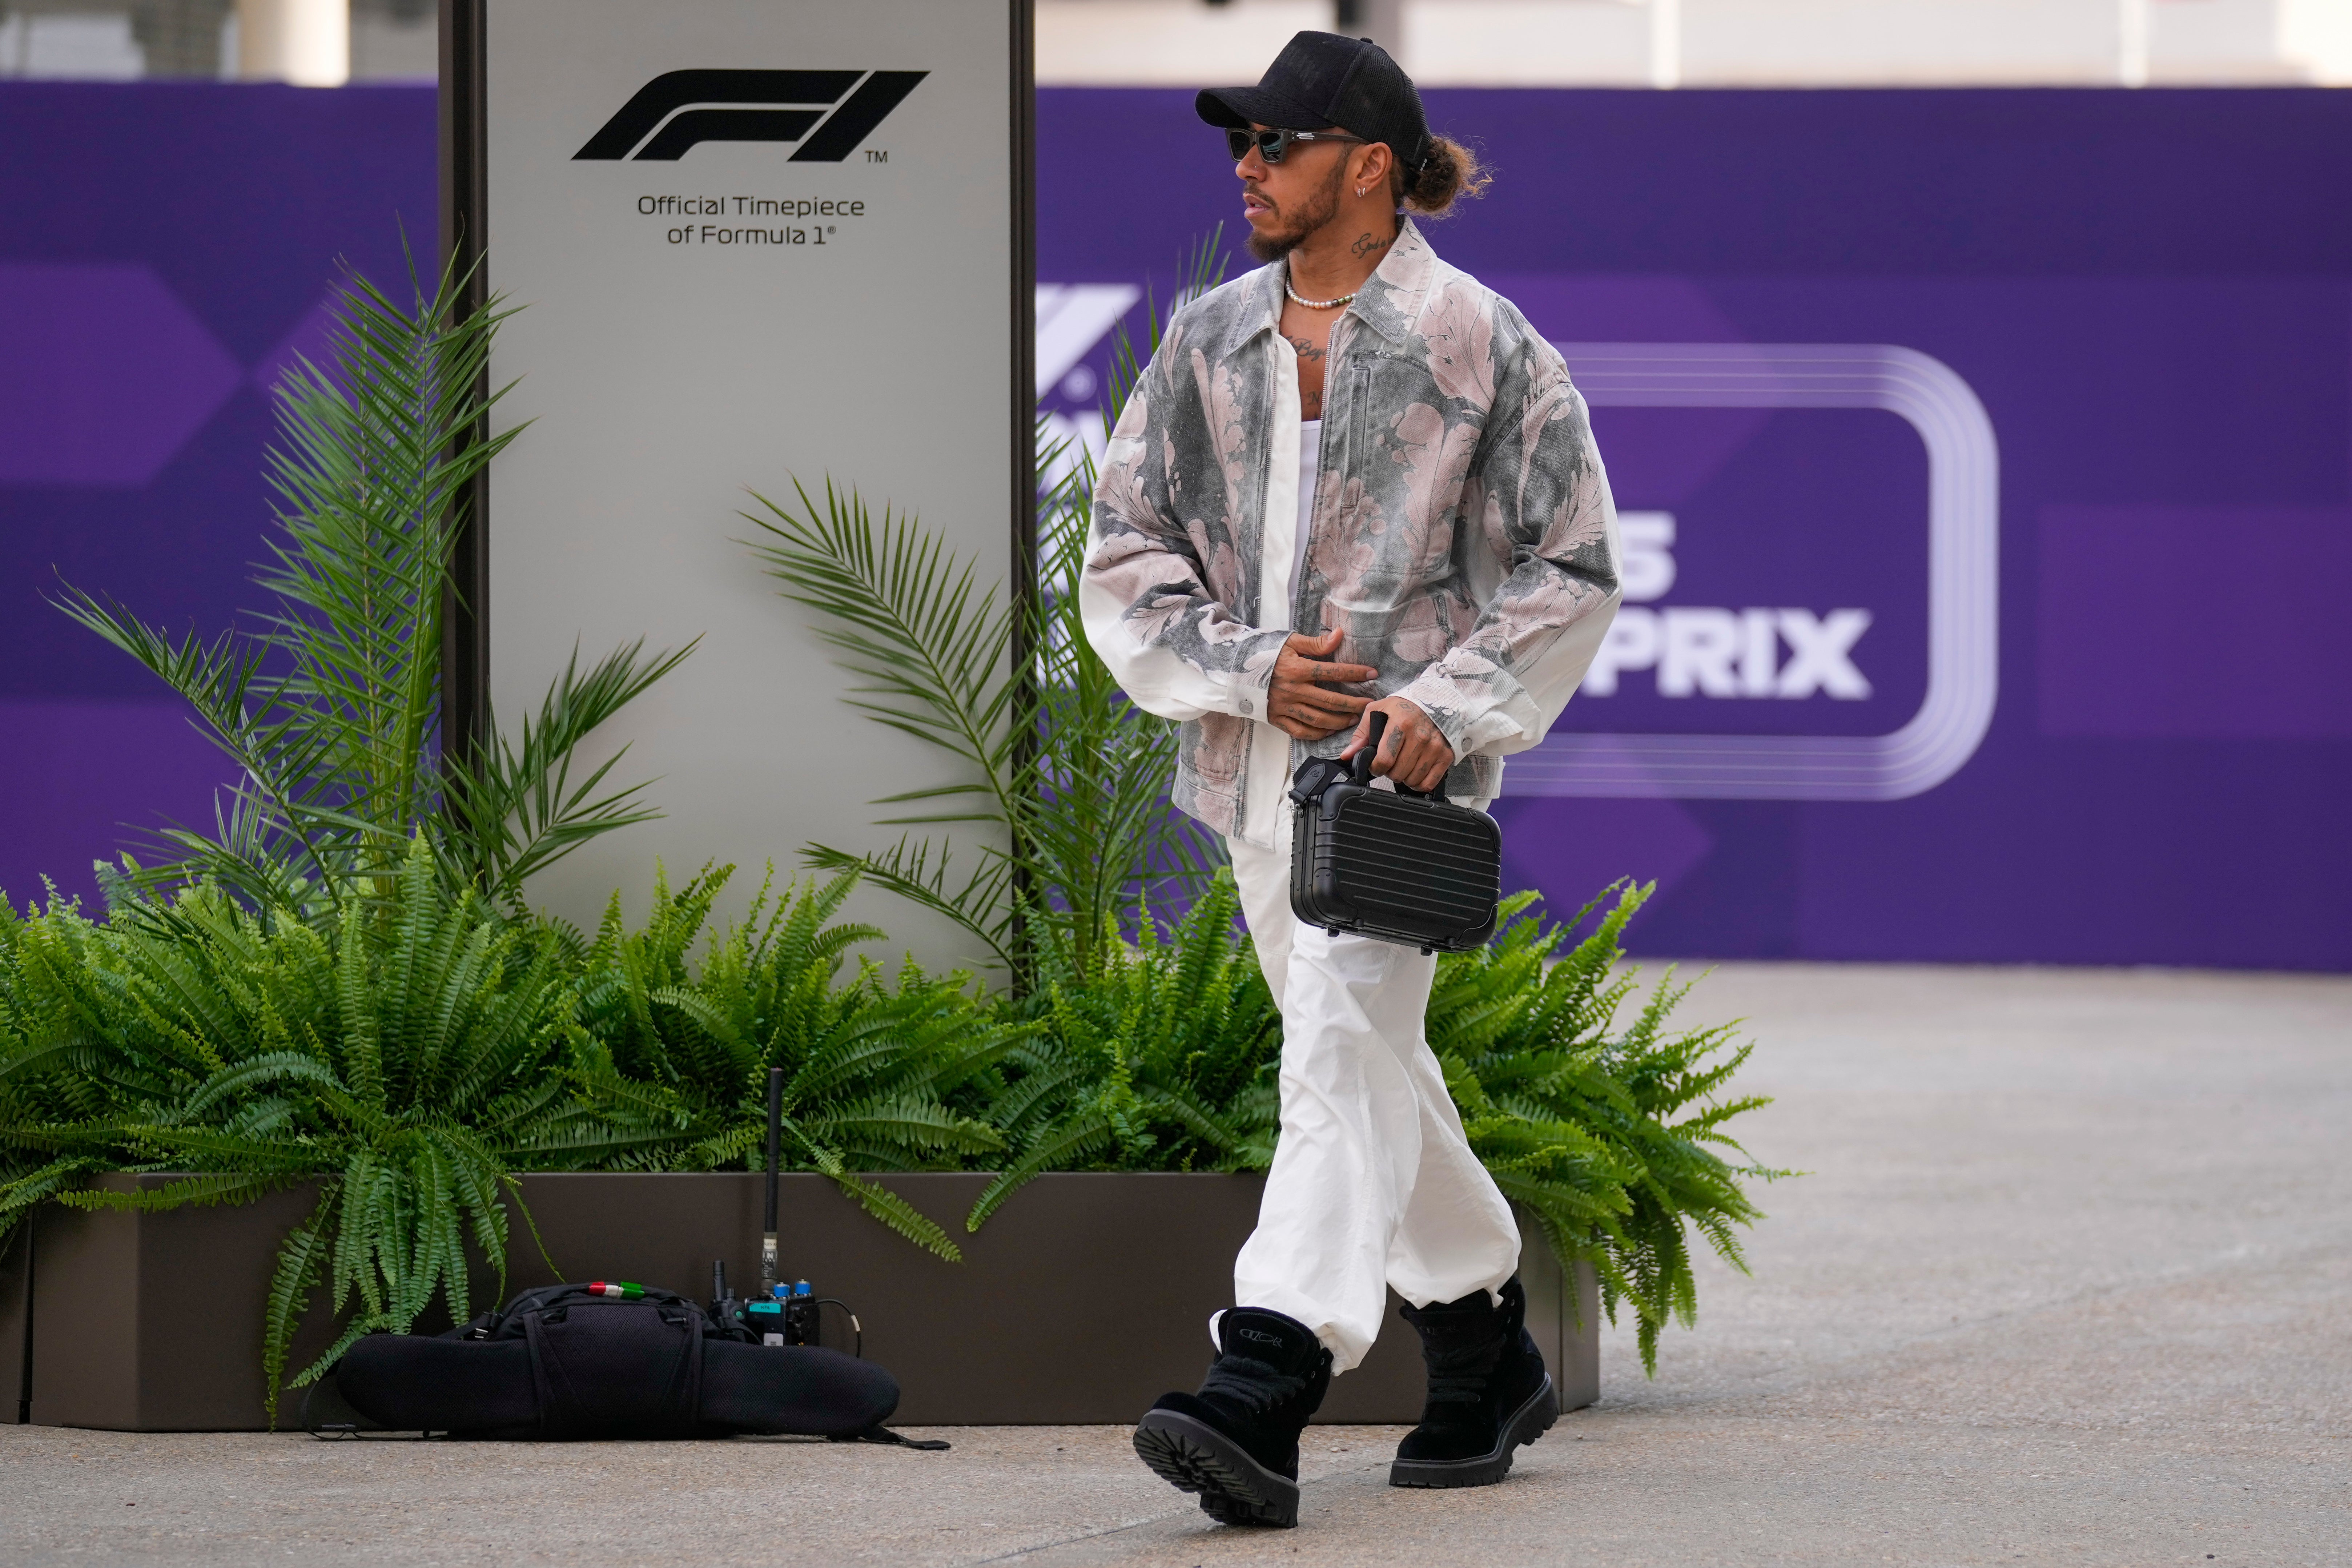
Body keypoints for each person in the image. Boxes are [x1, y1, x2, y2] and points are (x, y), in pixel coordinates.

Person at [1079, 30, 1623, 1530]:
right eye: (1239, 146)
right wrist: (1253, 667)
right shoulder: (1204, 340)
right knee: (1371, 1056)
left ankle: (1265, 1371)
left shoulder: (1485, 346)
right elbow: (1120, 551)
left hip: (1400, 783)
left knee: (1330, 1041)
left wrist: (1449, 705)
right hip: (1248, 770)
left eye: (1275, 144)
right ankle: (1481, 1341)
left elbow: (1574, 565)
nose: (1246, 169)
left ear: (1367, 166)